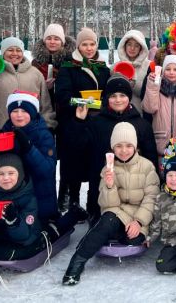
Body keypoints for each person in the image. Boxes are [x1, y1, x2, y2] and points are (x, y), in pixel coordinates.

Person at [62, 122, 160, 285]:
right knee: (107, 221)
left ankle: (104, 234)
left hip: (139, 216)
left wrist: (138, 222)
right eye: (119, 146)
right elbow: (107, 206)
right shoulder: (108, 168)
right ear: (113, 148)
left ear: (135, 146)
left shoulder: (147, 167)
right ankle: (77, 263)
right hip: (117, 214)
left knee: (133, 240)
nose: (123, 150)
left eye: (128, 146)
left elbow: (151, 199)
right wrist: (109, 185)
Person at [65, 75, 158, 221]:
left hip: (133, 192)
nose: (118, 100)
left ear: (129, 97)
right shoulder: (96, 122)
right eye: (113, 96)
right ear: (107, 98)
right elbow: (78, 148)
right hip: (101, 189)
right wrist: (79, 121)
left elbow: (150, 156)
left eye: (122, 95)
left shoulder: (141, 124)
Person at [0, 153, 78, 261]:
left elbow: (24, 236)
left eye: (11, 173)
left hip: (26, 240)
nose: (6, 178)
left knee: (1, 253)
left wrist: (14, 221)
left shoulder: (28, 199)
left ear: (20, 174)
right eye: (1, 174)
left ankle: (75, 213)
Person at [55, 27, 111, 218]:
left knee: (95, 163)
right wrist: (89, 102)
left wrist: (104, 103)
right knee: (74, 164)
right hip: (74, 123)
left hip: (97, 124)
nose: (89, 48)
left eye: (92, 44)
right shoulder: (69, 67)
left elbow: (110, 93)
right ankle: (73, 203)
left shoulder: (103, 67)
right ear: (78, 45)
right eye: (84, 44)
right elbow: (62, 96)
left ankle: (93, 203)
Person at [0, 91, 59, 221]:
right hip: (12, 200)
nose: (19, 115)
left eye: (24, 110)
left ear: (32, 113)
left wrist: (29, 148)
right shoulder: (5, 133)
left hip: (40, 201)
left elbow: (47, 170)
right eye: (15, 111)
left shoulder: (44, 135)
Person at [31, 23, 77, 212]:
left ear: (63, 41)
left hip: (66, 116)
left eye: (56, 38)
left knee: (68, 158)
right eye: (49, 38)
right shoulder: (35, 63)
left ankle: (66, 197)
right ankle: (45, 197)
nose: (52, 41)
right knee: (46, 158)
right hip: (44, 117)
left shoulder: (71, 61)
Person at [0, 37, 55, 134]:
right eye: (10, 50)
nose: (15, 53)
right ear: (3, 52)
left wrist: (48, 125)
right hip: (0, 131)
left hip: (31, 132)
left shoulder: (35, 73)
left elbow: (45, 104)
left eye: (18, 50)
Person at [143, 54, 176, 155]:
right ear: (163, 71)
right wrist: (153, 85)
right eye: (168, 69)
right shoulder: (157, 88)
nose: (171, 72)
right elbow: (150, 108)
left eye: (175, 69)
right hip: (161, 142)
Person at [116, 30, 151, 113]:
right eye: (129, 44)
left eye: (136, 45)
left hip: (141, 115)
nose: (132, 48)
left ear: (141, 48)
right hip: (119, 115)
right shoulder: (115, 67)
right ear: (124, 46)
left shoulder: (149, 67)